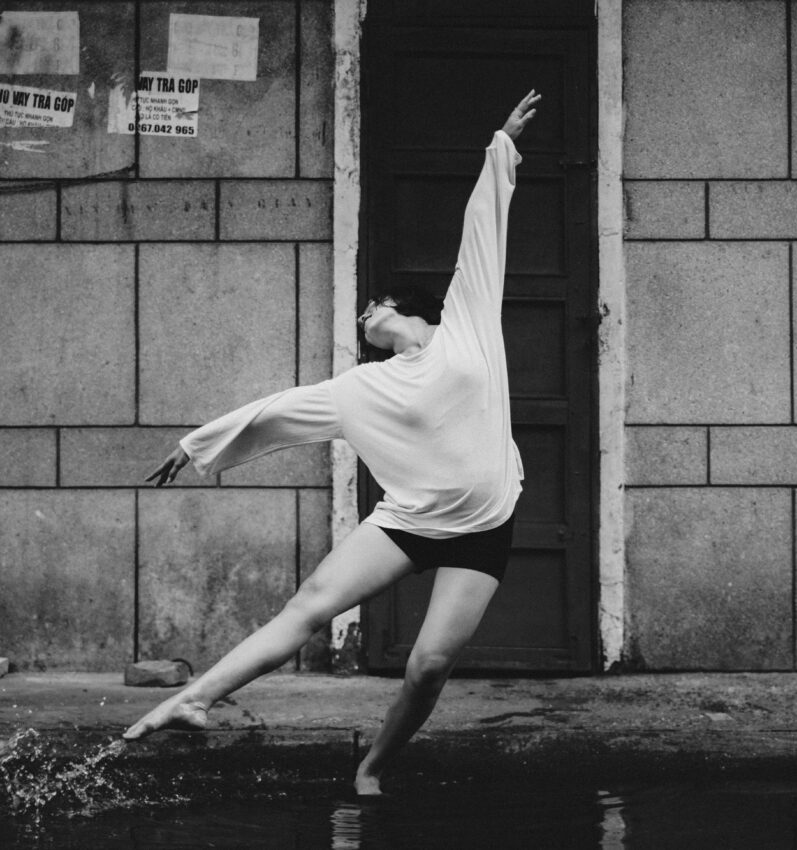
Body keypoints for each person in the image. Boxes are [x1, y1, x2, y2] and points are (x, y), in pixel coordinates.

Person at [122, 90, 541, 796]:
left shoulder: (468, 324)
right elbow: (275, 411)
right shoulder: (359, 387)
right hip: (407, 523)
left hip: (481, 528)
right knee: (309, 607)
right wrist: (196, 447)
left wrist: (501, 145)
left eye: (370, 305)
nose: (362, 314)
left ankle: (373, 766)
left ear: (403, 308)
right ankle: (192, 699)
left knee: (429, 665)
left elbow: (482, 231)